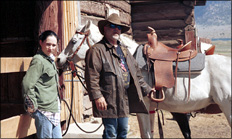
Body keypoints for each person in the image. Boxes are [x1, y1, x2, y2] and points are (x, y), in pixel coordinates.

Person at [85, 13, 155, 139]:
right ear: (105, 29)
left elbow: (136, 74)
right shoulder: (97, 50)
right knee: (110, 133)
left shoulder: (124, 50)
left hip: (124, 99)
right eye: (112, 26)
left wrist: (148, 90)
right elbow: (92, 76)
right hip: (108, 99)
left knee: (123, 132)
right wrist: (97, 96)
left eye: (119, 27)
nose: (116, 29)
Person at [22, 30, 62, 138]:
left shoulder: (50, 60)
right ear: (41, 42)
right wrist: (32, 104)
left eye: (54, 45)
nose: (51, 48)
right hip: (44, 110)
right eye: (48, 44)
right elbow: (27, 83)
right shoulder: (38, 60)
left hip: (53, 108)